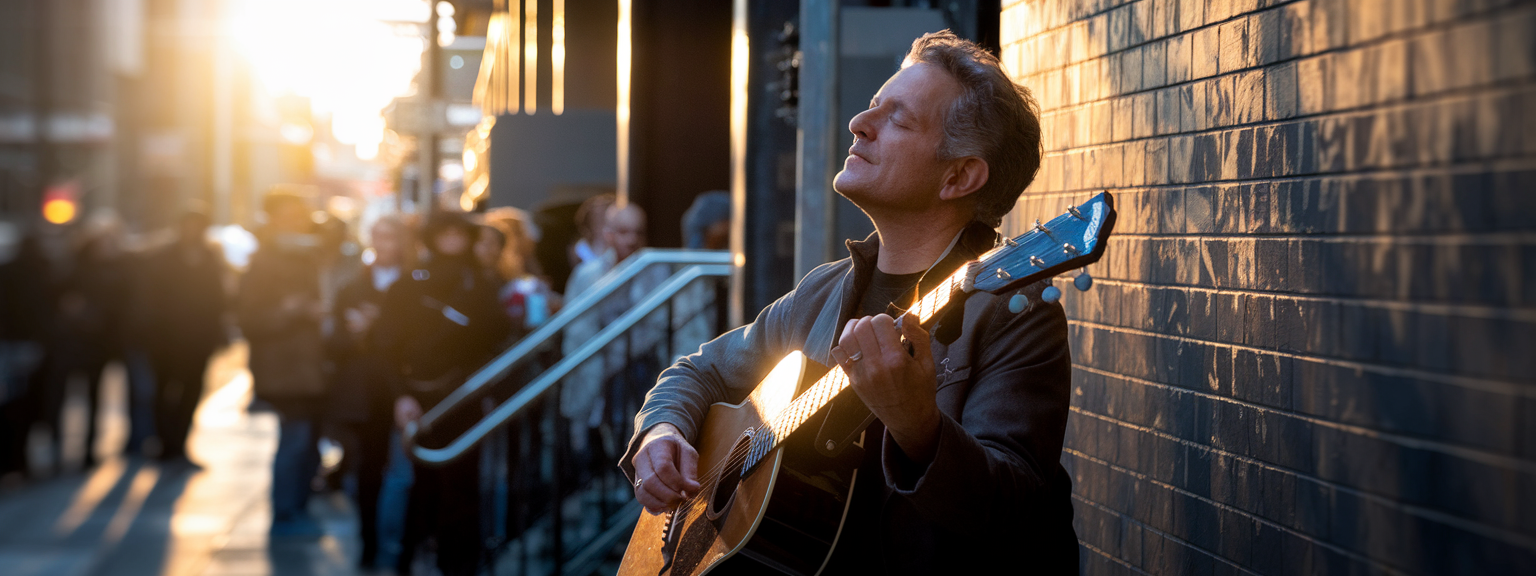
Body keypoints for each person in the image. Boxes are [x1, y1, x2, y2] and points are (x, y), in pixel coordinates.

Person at [622, 31, 1077, 574]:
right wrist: (663, 430)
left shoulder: (1010, 310)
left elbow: (1011, 505)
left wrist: (918, 425)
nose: (860, 124)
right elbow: (697, 372)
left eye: (898, 120)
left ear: (958, 176)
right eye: (871, 107)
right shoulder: (822, 292)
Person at [373, 211, 511, 576]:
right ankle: (406, 555)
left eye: (458, 234)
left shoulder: (481, 283)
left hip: (463, 397)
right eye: (444, 233)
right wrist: (400, 395)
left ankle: (457, 562)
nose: (452, 240)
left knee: (462, 483)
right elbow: (387, 345)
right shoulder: (409, 285)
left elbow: (494, 337)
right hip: (419, 398)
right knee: (414, 482)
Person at [240, 191, 328, 537]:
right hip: (286, 370)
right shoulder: (263, 262)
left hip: (314, 367)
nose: (299, 221)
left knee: (307, 441)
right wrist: (290, 310)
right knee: (295, 439)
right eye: (291, 216)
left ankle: (296, 507)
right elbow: (249, 319)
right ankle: (285, 512)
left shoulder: (311, 255)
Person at [324, 215, 409, 568]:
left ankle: (405, 543)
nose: (383, 244)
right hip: (365, 391)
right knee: (368, 468)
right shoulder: (353, 286)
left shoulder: (414, 280)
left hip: (404, 387)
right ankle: (369, 542)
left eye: (390, 237)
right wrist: (357, 333)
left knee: (406, 470)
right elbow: (334, 341)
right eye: (378, 237)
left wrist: (379, 326)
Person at [140, 210, 228, 466]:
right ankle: (164, 442)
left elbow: (218, 298)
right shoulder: (162, 258)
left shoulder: (210, 258)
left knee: (191, 391)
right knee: (163, 391)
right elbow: (150, 298)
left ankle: (180, 443)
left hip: (198, 339)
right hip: (165, 339)